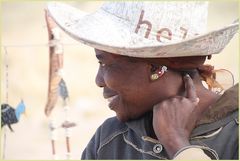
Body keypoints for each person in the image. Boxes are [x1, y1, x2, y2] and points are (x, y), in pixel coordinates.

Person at [47, 1, 239, 159]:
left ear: (156, 69)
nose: (98, 80)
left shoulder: (234, 136)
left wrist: (176, 142)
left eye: (104, 63)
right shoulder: (110, 140)